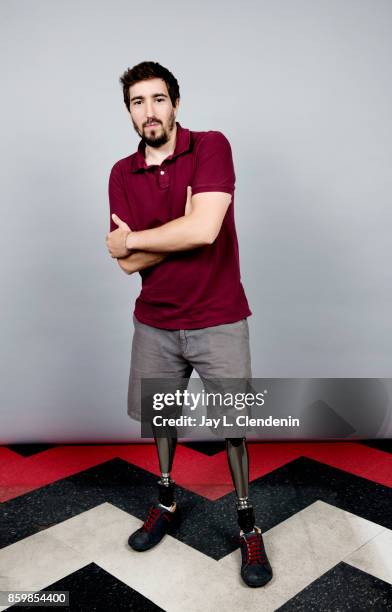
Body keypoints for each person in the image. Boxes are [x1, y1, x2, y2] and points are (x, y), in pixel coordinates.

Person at [105, 61, 273, 588]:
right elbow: (126, 261)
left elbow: (203, 231)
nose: (149, 111)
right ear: (129, 111)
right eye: (138, 102)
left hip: (218, 317)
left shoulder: (211, 146)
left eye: (158, 99)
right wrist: (171, 229)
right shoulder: (120, 172)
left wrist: (145, 235)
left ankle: (248, 524)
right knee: (162, 420)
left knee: (234, 426)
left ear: (176, 103)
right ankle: (166, 499)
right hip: (154, 322)